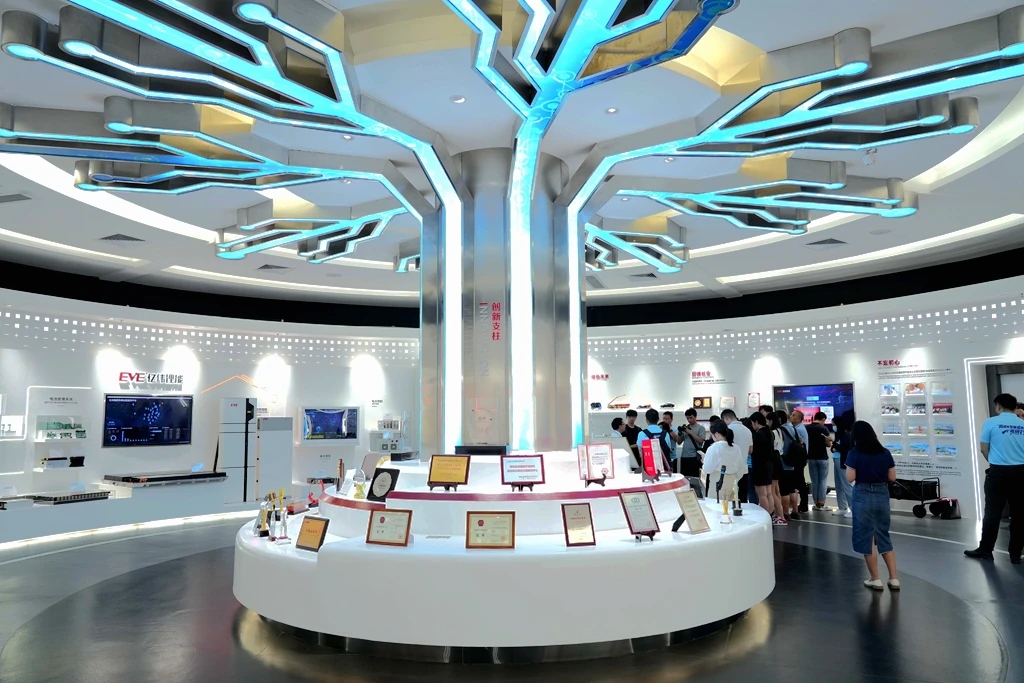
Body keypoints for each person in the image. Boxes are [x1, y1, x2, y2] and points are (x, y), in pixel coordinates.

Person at [965, 393, 1024, 564]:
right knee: (1020, 514)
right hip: (1021, 473)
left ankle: (986, 550)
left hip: (998, 473)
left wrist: (995, 462)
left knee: (992, 513)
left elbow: (984, 448)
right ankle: (1015, 554)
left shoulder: (991, 422)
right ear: (1015, 407)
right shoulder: (1022, 424)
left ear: (998, 406)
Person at [846, 421, 899, 590]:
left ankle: (875, 579)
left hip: (862, 494)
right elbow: (892, 477)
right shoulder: (885, 452)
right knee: (883, 534)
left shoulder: (854, 453)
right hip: (882, 493)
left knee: (865, 537)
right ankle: (894, 578)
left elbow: (850, 478)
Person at [702, 420, 747, 521]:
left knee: (714, 510)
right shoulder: (736, 448)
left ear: (717, 434)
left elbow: (707, 469)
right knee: (730, 510)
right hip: (733, 482)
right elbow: (741, 469)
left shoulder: (714, 448)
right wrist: (734, 478)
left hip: (717, 481)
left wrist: (704, 460)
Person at [779, 410, 808, 520]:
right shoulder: (794, 429)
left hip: (784, 462)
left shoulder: (781, 430)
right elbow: (801, 441)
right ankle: (795, 511)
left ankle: (786, 513)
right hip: (793, 463)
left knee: (784, 490)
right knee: (792, 489)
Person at [721, 409, 753, 506]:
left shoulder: (727, 430)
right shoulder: (748, 430)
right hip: (744, 470)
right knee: (743, 501)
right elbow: (750, 450)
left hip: (731, 471)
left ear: (726, 418)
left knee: (730, 501)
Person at [749, 411, 777, 520]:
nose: (752, 426)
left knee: (762, 495)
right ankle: (770, 514)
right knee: (769, 493)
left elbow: (753, 451)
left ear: (756, 422)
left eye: (752, 423)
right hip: (768, 465)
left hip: (759, 466)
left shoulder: (758, 435)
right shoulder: (769, 432)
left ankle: (765, 517)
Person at [805, 411, 834, 511]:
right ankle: (821, 503)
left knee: (814, 481)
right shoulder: (823, 428)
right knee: (822, 480)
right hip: (822, 457)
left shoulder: (807, 428)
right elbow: (829, 445)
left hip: (811, 457)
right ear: (823, 419)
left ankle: (815, 503)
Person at [831, 411, 855, 518]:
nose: (833, 427)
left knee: (846, 485)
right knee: (839, 485)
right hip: (836, 460)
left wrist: (834, 445)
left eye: (834, 425)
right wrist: (834, 446)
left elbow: (845, 449)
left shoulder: (847, 435)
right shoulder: (839, 435)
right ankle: (842, 507)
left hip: (843, 462)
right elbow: (834, 448)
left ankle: (853, 509)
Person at [636, 408, 672, 474]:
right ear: (658, 419)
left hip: (648, 469)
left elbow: (641, 453)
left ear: (646, 420)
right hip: (664, 469)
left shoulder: (642, 434)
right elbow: (669, 450)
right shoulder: (666, 434)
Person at [677, 408, 706, 477]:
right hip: (684, 456)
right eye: (687, 418)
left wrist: (690, 432)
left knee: (694, 477)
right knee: (684, 477)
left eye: (691, 418)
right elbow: (679, 442)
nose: (689, 420)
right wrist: (680, 433)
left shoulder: (700, 428)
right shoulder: (685, 428)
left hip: (694, 457)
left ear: (695, 417)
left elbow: (701, 440)